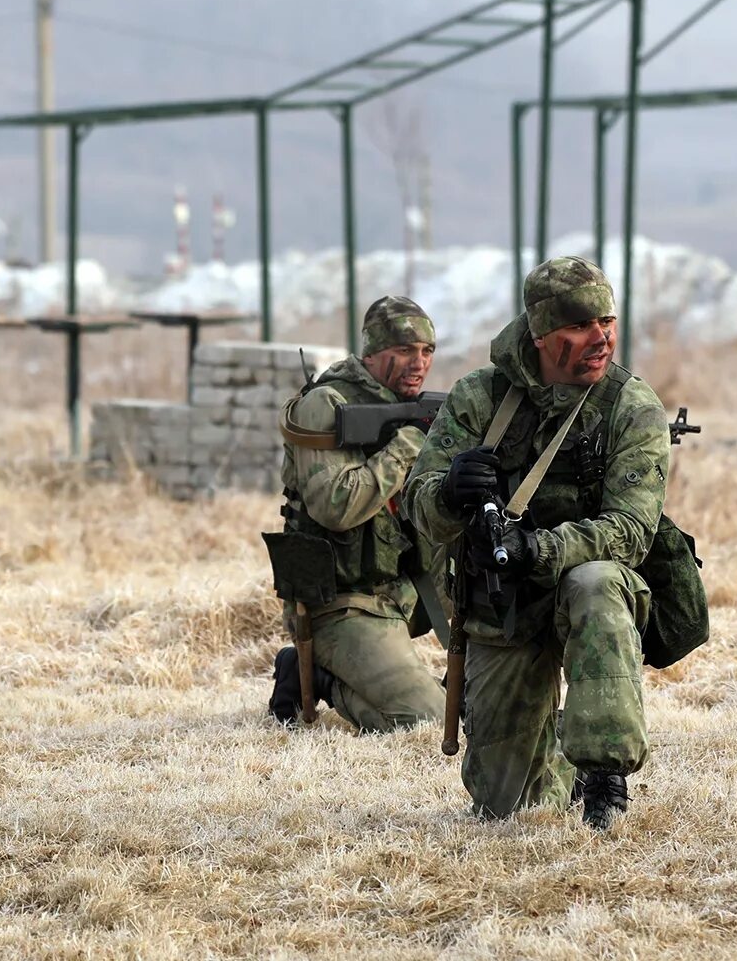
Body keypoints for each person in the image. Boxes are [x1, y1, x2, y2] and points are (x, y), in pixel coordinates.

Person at [402, 257, 669, 830]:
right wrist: (449, 492)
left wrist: (537, 549)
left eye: (608, 320)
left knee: (594, 581)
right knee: (505, 806)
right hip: (503, 605)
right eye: (580, 326)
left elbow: (630, 531)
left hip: (584, 586)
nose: (600, 338)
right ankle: (558, 768)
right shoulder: (480, 397)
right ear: (542, 336)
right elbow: (421, 507)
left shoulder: (630, 406)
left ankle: (602, 777)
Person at [267, 296, 446, 732]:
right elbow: (336, 508)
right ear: (371, 352)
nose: (417, 362)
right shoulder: (325, 406)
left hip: (406, 589)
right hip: (341, 602)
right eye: (404, 350)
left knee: (495, 683)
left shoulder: (415, 411)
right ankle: (316, 675)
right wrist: (408, 446)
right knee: (428, 724)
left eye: (426, 352)